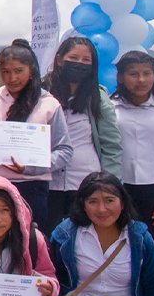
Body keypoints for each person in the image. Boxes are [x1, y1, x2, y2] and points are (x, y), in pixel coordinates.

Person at [0, 39, 73, 227]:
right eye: (5, 72)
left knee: (30, 243)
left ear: (31, 70)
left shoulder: (49, 104)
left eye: (18, 71)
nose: (12, 78)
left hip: (33, 189)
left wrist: (32, 166)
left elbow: (64, 150)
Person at [42, 36, 122, 231]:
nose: (79, 63)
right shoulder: (40, 93)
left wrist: (108, 185)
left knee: (81, 237)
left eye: (86, 60)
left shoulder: (98, 97)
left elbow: (111, 146)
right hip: (46, 180)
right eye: (73, 57)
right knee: (46, 238)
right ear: (60, 59)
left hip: (85, 183)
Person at [111, 50, 154, 233]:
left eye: (147, 73)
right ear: (120, 77)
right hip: (117, 186)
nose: (141, 80)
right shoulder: (109, 110)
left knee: (146, 242)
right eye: (133, 74)